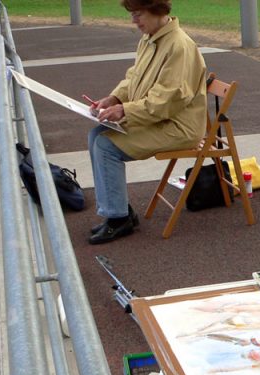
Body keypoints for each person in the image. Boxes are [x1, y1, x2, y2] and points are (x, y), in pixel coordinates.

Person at [86, 0, 206, 244]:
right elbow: (134, 78)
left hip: (179, 127)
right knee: (96, 135)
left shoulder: (179, 46)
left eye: (138, 14)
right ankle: (118, 211)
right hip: (160, 118)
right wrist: (115, 98)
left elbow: (167, 101)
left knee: (105, 145)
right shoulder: (150, 38)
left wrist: (124, 110)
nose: (133, 20)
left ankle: (118, 218)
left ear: (157, 11)